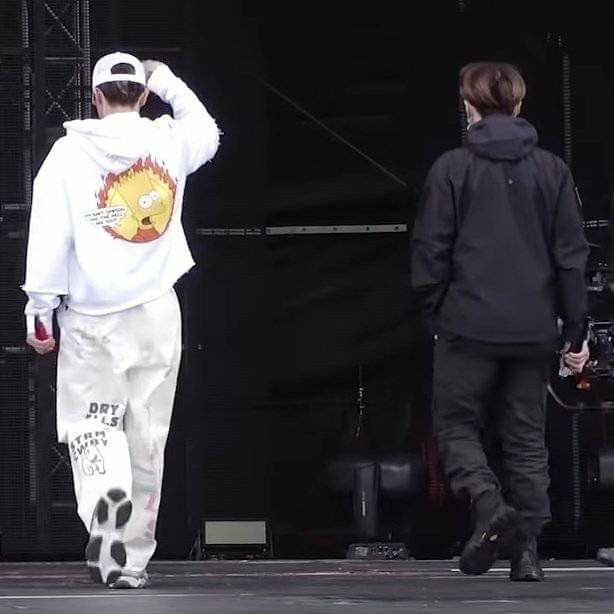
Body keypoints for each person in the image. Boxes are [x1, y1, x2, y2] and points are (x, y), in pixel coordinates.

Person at [22, 52, 220, 588]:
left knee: (94, 425)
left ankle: (105, 504)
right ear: (143, 96)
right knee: (148, 434)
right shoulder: (167, 142)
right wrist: (168, 80)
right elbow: (207, 130)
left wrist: (40, 313)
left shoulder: (68, 153)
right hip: (157, 311)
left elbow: (48, 236)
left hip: (92, 320)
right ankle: (130, 562)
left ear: (95, 97)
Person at [411, 62, 589, 581]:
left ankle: (490, 507)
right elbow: (571, 256)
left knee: (456, 426)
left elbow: (430, 251)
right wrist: (575, 331)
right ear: (518, 105)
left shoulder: (451, 168)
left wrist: (436, 314)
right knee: (526, 438)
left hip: (467, 325)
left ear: (468, 108)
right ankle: (526, 552)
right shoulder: (552, 170)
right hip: (534, 328)